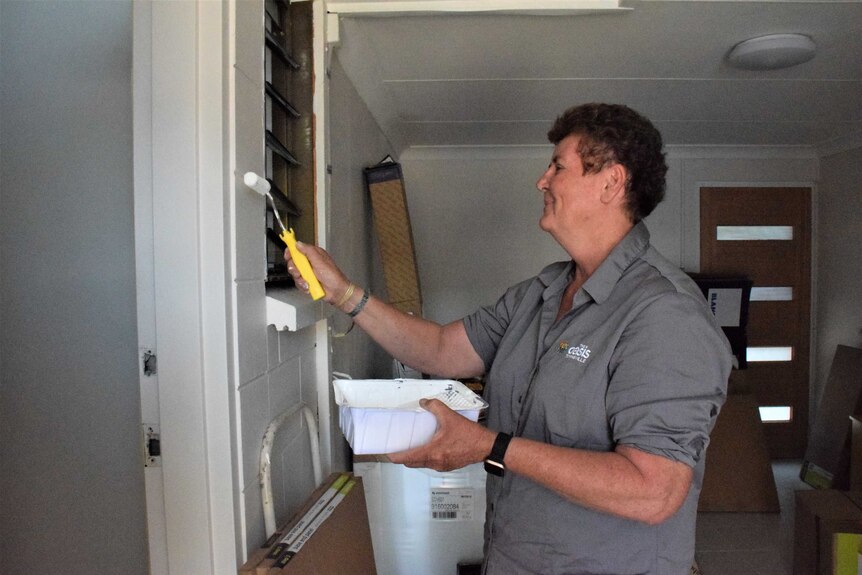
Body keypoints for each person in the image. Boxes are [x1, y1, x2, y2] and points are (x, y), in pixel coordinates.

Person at [285, 103, 732, 575]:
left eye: (558, 166)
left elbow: (654, 490)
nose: (542, 181)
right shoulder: (542, 291)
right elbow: (440, 349)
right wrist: (345, 294)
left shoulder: (665, 314)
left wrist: (490, 447)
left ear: (610, 183)